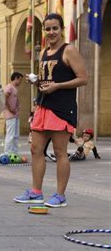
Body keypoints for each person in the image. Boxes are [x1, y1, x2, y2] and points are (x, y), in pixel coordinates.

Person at [14, 13, 88, 208]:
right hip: (43, 105)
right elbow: (46, 79)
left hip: (62, 108)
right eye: (47, 29)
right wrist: (37, 82)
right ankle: (36, 192)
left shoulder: (69, 50)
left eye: (55, 28)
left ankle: (60, 195)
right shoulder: (43, 53)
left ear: (61, 29)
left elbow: (83, 78)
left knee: (59, 152)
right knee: (35, 149)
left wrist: (57, 86)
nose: (51, 32)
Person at [3, 72, 23, 154]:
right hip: (10, 114)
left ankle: (14, 152)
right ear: (15, 78)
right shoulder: (9, 87)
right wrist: (10, 108)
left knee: (15, 135)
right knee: (10, 134)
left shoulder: (14, 88)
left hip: (15, 114)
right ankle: (7, 152)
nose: (20, 82)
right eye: (20, 80)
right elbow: (4, 97)